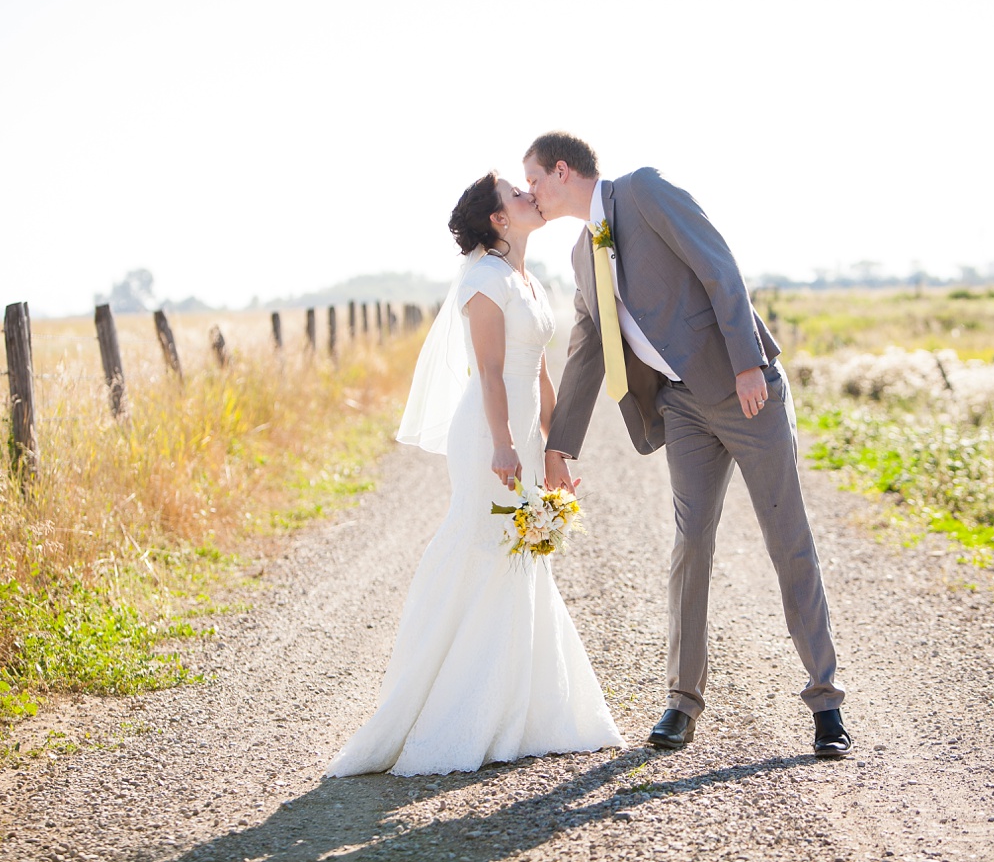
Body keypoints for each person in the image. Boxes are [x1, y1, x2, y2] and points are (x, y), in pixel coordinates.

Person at [523, 132, 851, 758]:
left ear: (561, 171)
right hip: (680, 410)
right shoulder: (577, 255)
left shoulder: (644, 191)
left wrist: (749, 361)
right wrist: (558, 447)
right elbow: (588, 349)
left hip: (743, 391)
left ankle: (826, 702)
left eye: (534, 179)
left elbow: (717, 264)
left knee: (788, 538)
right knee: (690, 543)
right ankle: (681, 703)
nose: (531, 192)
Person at [327, 171, 625, 777]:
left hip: (521, 434)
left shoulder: (526, 280)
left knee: (521, 555)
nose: (529, 196)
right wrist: (504, 444)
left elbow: (538, 369)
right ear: (498, 219)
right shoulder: (486, 281)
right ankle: (450, 707)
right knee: (485, 546)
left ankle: (523, 706)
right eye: (517, 194)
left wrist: (555, 447)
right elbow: (489, 373)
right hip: (489, 436)